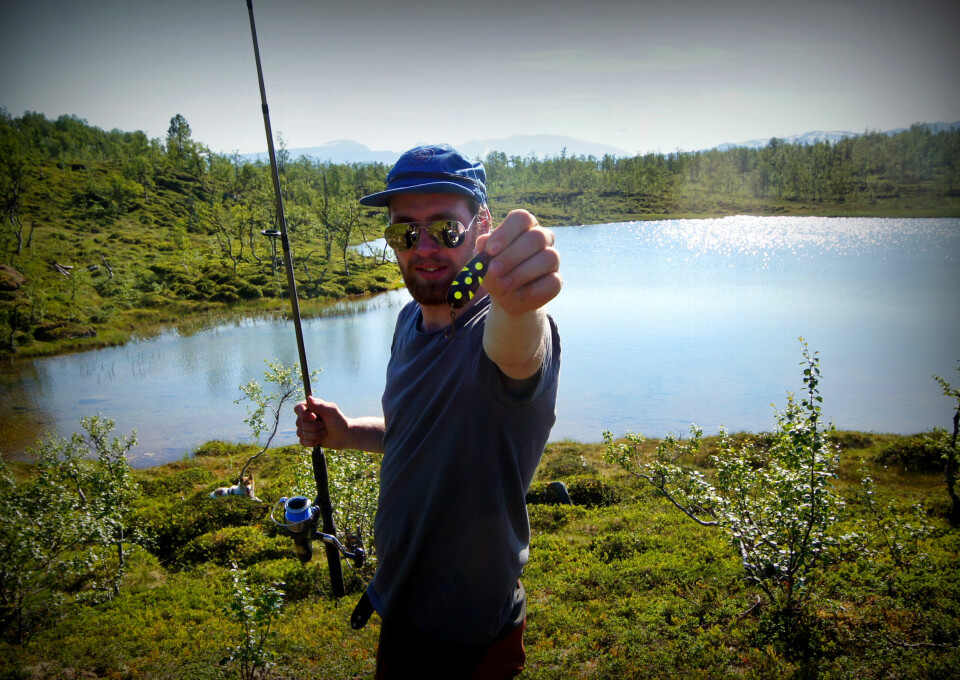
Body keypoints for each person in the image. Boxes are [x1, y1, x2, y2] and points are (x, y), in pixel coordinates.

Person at [294, 144, 562, 679]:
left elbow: (519, 354)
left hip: (465, 635)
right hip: (402, 603)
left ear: (482, 225)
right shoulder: (408, 322)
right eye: (404, 232)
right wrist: (350, 433)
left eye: (446, 229)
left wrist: (518, 303)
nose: (425, 248)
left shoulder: (501, 327)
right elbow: (418, 433)